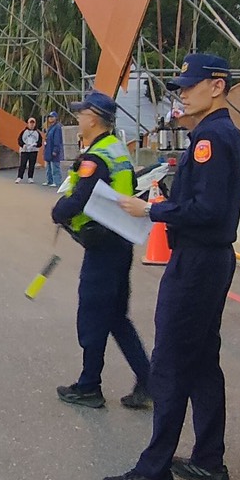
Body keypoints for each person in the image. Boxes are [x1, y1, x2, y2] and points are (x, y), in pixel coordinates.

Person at [107, 53, 240, 480]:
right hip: (209, 259)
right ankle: (209, 462)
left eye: (189, 86)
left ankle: (155, 472)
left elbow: (207, 212)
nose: (182, 94)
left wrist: (153, 209)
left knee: (168, 365)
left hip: (197, 261)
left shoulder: (211, 138)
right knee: (203, 362)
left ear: (217, 86)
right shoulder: (216, 133)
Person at [50, 91, 152, 411]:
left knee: (93, 317)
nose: (78, 118)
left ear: (93, 119)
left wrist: (58, 212)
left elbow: (78, 199)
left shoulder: (95, 158)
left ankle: (89, 386)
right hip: (120, 243)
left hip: (103, 247)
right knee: (116, 318)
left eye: (81, 114)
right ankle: (148, 381)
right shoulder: (115, 148)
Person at [41, 109, 64, 186]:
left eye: (52, 117)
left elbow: (57, 140)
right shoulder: (50, 127)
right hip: (48, 149)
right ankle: (49, 180)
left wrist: (55, 150)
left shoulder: (57, 127)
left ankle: (57, 182)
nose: (50, 118)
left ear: (56, 118)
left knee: (55, 167)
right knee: (48, 167)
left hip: (53, 149)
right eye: (49, 117)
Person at [15, 116, 41, 183]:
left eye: (33, 123)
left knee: (32, 165)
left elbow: (40, 142)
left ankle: (30, 177)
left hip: (33, 151)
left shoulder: (37, 133)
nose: (32, 124)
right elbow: (19, 140)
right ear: (28, 123)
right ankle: (19, 177)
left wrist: (36, 144)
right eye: (30, 123)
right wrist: (23, 145)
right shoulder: (24, 132)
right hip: (25, 150)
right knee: (22, 164)